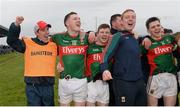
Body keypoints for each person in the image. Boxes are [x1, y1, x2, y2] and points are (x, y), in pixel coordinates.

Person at [6, 16, 57, 106]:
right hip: (32, 87)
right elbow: (11, 40)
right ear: (37, 32)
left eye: (48, 29)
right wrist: (16, 25)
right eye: (44, 30)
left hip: (48, 86)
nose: (47, 32)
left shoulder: (53, 45)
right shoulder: (28, 43)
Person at [100, 9, 147, 106]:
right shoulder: (118, 36)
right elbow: (105, 54)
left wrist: (146, 39)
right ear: (121, 22)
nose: (131, 19)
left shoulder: (135, 37)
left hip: (139, 82)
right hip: (123, 82)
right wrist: (104, 69)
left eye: (133, 17)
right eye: (127, 17)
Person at [52, 12, 95, 106]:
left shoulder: (87, 38)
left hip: (81, 80)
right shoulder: (58, 37)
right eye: (75, 19)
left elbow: (103, 38)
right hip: (64, 80)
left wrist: (91, 32)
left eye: (79, 19)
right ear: (67, 23)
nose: (78, 20)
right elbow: (44, 42)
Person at [142, 17, 180, 106]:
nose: (156, 28)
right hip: (156, 78)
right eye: (153, 27)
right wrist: (145, 38)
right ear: (148, 30)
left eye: (158, 25)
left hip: (171, 77)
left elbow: (177, 37)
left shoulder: (169, 38)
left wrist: (178, 40)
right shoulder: (147, 42)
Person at [86, 23, 111, 106]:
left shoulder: (111, 48)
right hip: (91, 83)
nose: (104, 34)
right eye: (102, 32)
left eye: (107, 32)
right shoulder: (89, 47)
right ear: (97, 34)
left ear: (110, 35)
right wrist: (90, 33)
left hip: (105, 84)